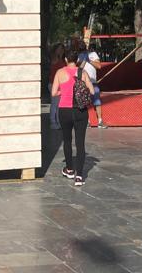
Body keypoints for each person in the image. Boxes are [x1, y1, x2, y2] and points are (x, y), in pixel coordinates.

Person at [50, 48, 94, 186]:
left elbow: (53, 93)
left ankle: (69, 169)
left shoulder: (60, 72)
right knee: (80, 143)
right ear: (77, 60)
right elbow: (92, 91)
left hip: (65, 111)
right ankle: (79, 176)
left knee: (67, 140)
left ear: (66, 59)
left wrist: (63, 91)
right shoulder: (83, 72)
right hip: (81, 111)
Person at [80, 50, 107, 128]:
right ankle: (87, 122)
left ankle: (100, 121)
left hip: (93, 82)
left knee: (97, 101)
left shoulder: (93, 54)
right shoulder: (80, 54)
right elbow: (79, 68)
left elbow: (99, 66)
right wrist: (83, 60)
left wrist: (89, 61)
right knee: (85, 102)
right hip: (83, 82)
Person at [48, 45, 66, 131]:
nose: (61, 50)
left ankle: (58, 122)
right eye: (60, 49)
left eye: (62, 49)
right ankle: (53, 122)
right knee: (55, 104)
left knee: (58, 105)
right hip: (54, 84)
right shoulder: (55, 58)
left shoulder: (62, 59)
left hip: (60, 85)